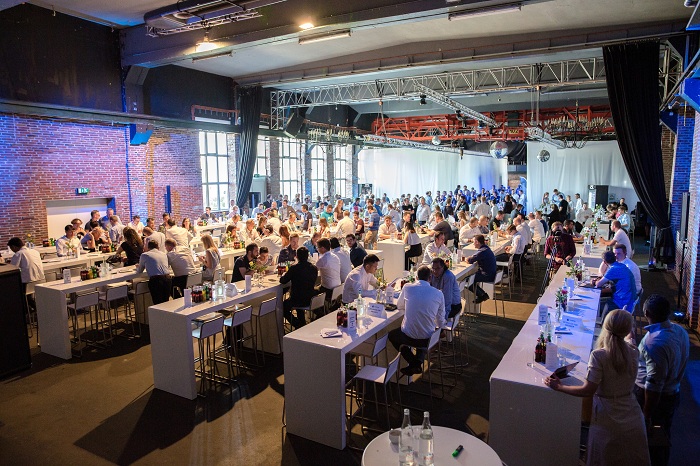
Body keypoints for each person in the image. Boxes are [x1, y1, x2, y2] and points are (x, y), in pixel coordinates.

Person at [544, 310, 650, 466]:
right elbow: (630, 339)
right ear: (628, 329)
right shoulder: (634, 351)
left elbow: (588, 390)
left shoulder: (599, 356)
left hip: (606, 417)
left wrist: (559, 386)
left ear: (605, 326)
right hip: (632, 414)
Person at [635, 295, 689, 466]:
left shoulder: (654, 342)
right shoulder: (680, 331)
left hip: (654, 400)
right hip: (672, 393)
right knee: (663, 437)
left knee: (651, 441)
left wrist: (646, 414)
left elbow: (654, 385)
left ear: (647, 313)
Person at [389, 266, 446, 376]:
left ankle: (413, 362)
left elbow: (400, 306)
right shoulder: (439, 293)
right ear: (430, 278)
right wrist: (441, 329)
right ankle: (417, 362)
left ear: (416, 277)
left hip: (409, 337)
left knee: (392, 335)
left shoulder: (407, 287)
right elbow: (440, 320)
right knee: (425, 328)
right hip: (428, 340)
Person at [280, 247, 319, 329]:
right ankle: (301, 323)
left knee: (282, 306)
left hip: (297, 299)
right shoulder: (314, 268)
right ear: (308, 256)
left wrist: (283, 275)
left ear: (296, 257)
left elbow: (283, 281)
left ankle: (297, 323)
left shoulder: (294, 268)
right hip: (310, 298)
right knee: (300, 294)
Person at [136, 240, 172, 305]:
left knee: (158, 303)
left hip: (156, 280)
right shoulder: (163, 254)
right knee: (166, 302)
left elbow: (139, 271)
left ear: (148, 247)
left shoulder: (145, 255)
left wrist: (138, 267)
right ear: (158, 247)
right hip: (167, 278)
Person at [466, 235, 497, 303]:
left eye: (474, 242)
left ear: (477, 242)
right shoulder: (486, 249)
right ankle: (482, 294)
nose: (473, 243)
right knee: (472, 278)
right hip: (491, 274)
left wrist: (468, 258)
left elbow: (470, 260)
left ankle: (482, 295)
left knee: (467, 280)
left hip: (487, 275)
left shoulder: (482, 251)